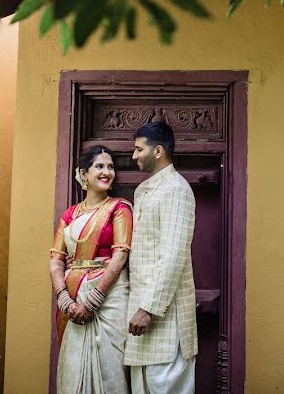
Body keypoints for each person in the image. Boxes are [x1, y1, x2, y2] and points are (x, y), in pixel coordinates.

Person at [49, 145, 133, 394]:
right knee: (74, 370)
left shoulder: (119, 208)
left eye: (110, 166)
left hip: (110, 299)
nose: (107, 172)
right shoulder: (70, 215)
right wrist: (64, 299)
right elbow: (56, 259)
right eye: (99, 166)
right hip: (72, 299)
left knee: (111, 372)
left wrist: (93, 300)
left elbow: (120, 256)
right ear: (83, 174)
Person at [125, 121, 198, 394]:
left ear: (157, 151)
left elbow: (174, 255)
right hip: (140, 317)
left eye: (138, 149)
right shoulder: (144, 191)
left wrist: (148, 308)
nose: (133, 156)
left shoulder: (176, 189)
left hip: (164, 318)